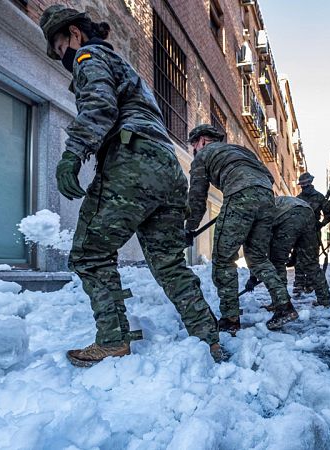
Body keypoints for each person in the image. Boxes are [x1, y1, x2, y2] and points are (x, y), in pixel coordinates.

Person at [38, 5, 223, 366]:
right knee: (169, 263)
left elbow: (100, 106)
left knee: (89, 255)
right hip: (168, 170)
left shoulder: (90, 56)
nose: (64, 57)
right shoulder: (127, 70)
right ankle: (208, 337)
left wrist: (72, 155)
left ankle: (112, 338)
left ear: (74, 35)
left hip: (132, 163)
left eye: (61, 49)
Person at [185, 124, 298, 334]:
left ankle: (230, 319)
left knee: (223, 259)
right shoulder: (241, 151)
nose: (194, 150)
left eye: (193, 146)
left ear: (201, 141)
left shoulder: (202, 156)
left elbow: (197, 197)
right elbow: (269, 177)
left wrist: (190, 228)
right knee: (258, 257)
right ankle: (284, 307)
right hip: (267, 197)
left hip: (239, 195)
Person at [246, 196, 330, 308]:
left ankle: (281, 303)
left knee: (277, 262)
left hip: (289, 214)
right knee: (310, 262)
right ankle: (324, 299)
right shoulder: (265, 205)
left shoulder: (255, 220)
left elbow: (258, 252)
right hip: (307, 212)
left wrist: (253, 277)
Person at [294, 172, 330, 294]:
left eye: (306, 184)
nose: (304, 186)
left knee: (313, 259)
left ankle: (310, 283)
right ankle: (299, 283)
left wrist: (321, 224)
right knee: (298, 257)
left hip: (314, 233)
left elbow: (328, 215)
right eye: (302, 185)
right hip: (300, 233)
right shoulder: (298, 199)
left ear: (311, 183)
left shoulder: (320, 197)